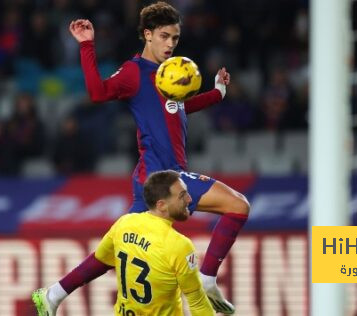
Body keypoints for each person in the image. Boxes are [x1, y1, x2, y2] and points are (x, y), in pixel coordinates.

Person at [34, 2, 249, 314]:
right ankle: (206, 279)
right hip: (161, 176)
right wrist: (87, 46)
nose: (170, 44)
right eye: (164, 36)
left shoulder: (169, 75)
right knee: (238, 206)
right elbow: (98, 92)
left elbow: (178, 109)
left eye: (175, 38)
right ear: (147, 35)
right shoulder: (135, 72)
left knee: (112, 250)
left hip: (151, 179)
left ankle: (53, 294)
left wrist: (217, 94)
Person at [33, 170, 215, 316]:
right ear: (161, 205)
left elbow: (99, 260)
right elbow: (197, 302)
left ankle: (53, 295)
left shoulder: (124, 223)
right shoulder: (180, 245)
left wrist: (59, 291)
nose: (190, 200)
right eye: (182, 195)